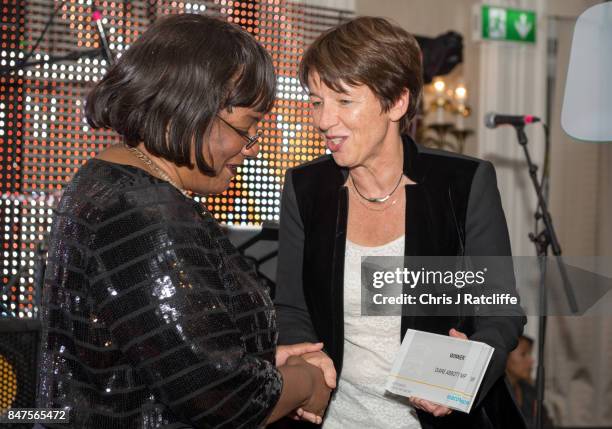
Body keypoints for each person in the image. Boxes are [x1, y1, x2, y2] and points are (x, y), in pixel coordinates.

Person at [36, 14, 334, 428]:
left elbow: (163, 350)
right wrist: (306, 382)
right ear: (192, 110)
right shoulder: (144, 216)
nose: (250, 148)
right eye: (246, 128)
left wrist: (261, 359)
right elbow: (219, 397)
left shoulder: (107, 180)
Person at [274, 16, 527, 429]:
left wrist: (469, 365)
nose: (322, 120)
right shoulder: (305, 187)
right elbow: (291, 305)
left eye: (343, 101)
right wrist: (307, 356)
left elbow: (500, 311)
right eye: (317, 101)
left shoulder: (463, 185)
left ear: (397, 103)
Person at [506, 336, 554, 429]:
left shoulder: (529, 392)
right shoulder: (493, 395)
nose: (531, 361)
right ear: (505, 356)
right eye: (523, 354)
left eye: (530, 354)